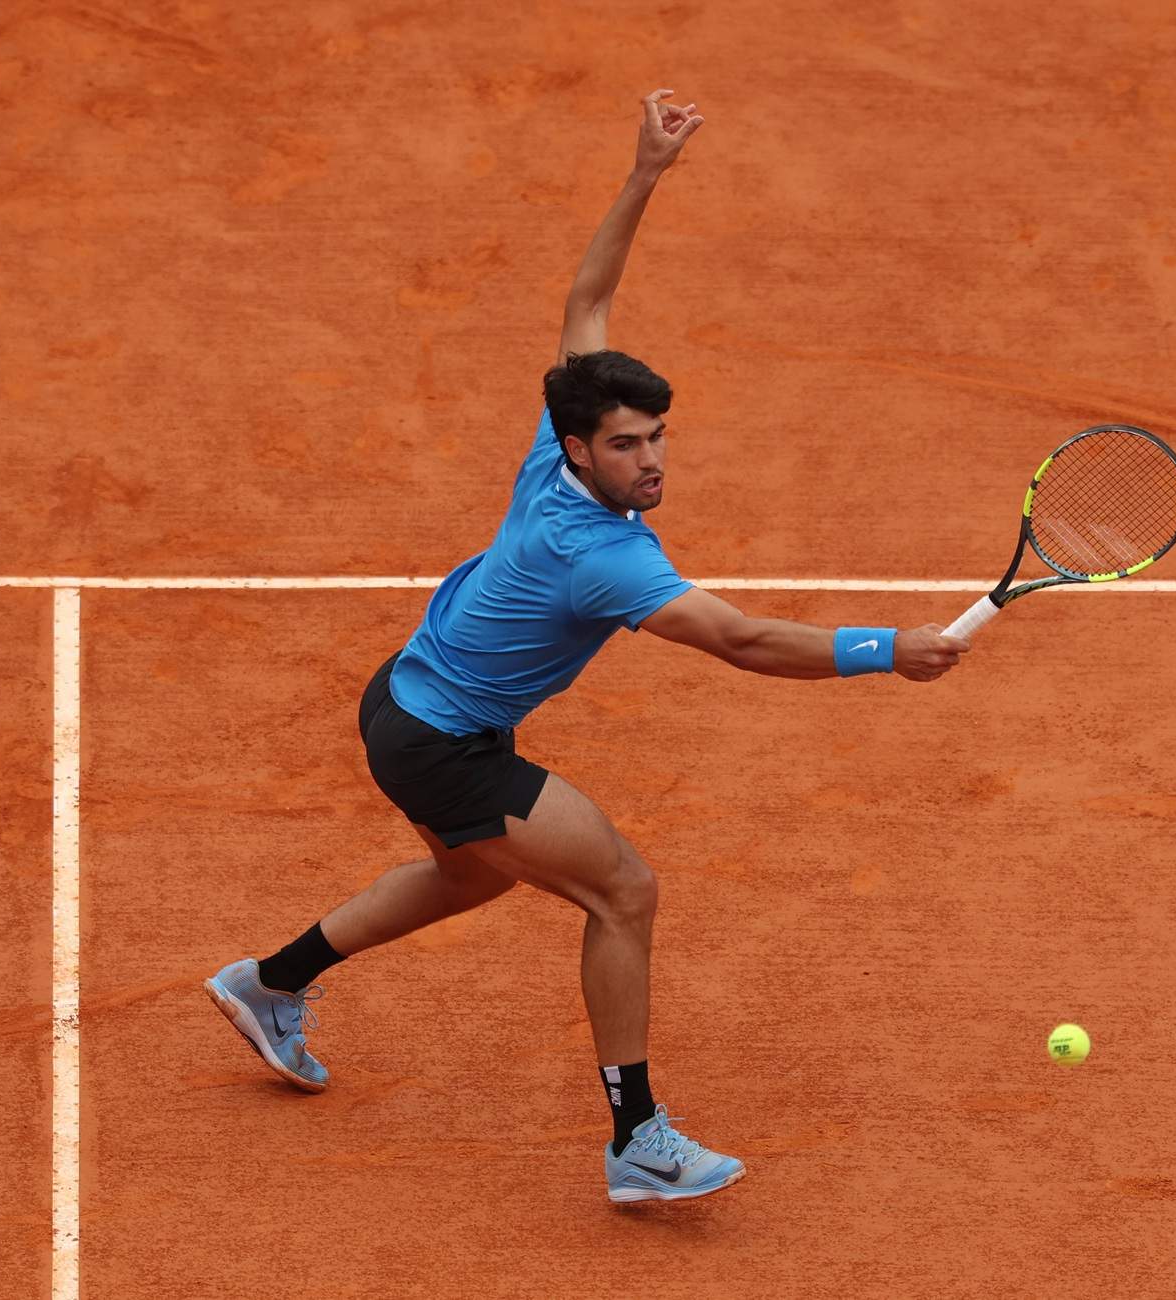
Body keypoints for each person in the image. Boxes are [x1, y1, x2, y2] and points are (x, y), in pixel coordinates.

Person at [205, 88, 970, 1204]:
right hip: (443, 743)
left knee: (466, 877)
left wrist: (646, 172)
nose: (651, 459)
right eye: (628, 443)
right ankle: (636, 1138)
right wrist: (885, 648)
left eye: (658, 435)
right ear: (583, 446)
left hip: (404, 700)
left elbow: (588, 295)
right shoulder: (602, 557)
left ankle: (270, 982)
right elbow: (743, 641)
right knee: (623, 891)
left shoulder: (553, 443)